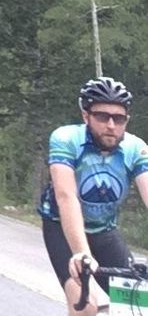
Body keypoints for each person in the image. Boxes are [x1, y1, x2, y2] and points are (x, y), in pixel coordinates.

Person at [39, 75, 148, 316]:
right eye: (102, 116)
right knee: (86, 307)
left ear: (127, 120)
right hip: (62, 228)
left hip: (103, 231)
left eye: (118, 118)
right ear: (85, 116)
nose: (111, 125)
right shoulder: (66, 139)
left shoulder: (136, 148)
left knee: (139, 303)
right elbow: (66, 196)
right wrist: (81, 253)